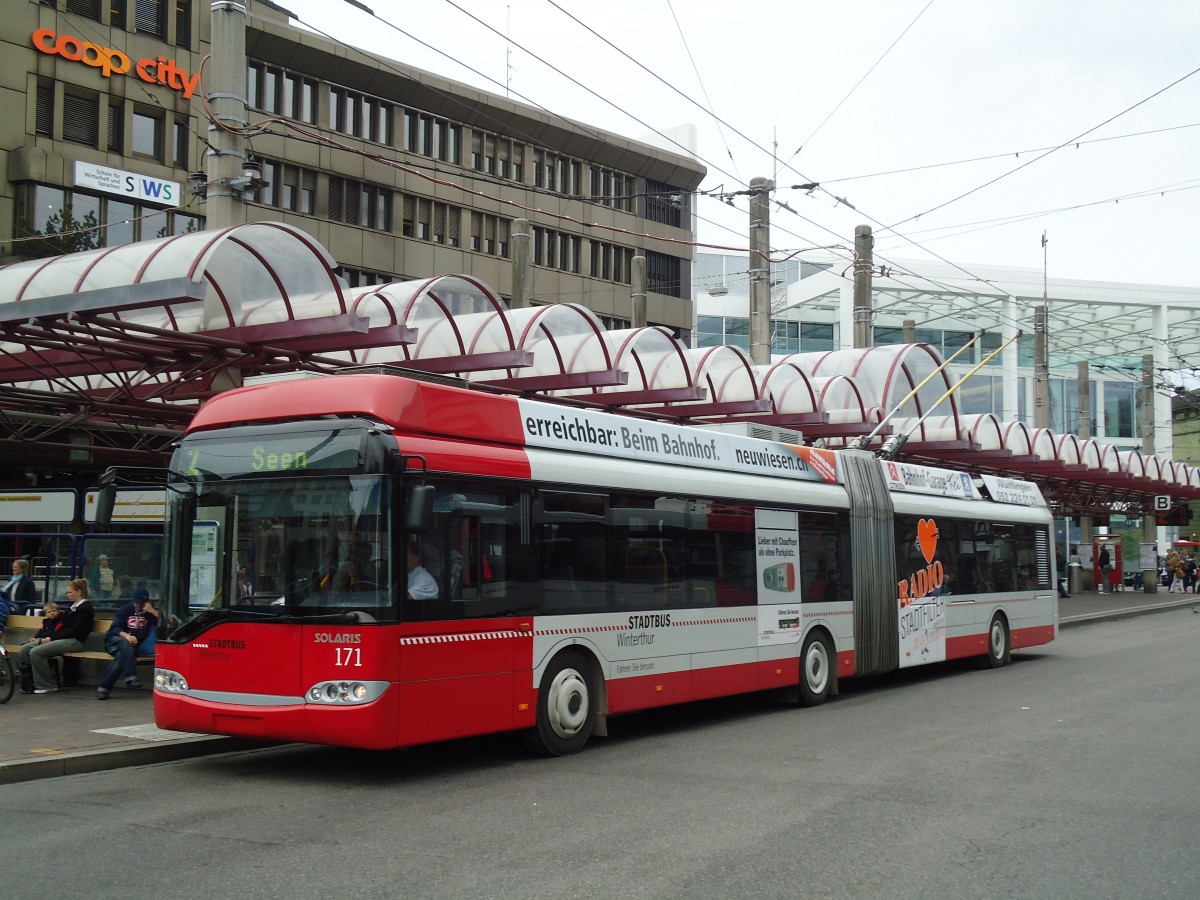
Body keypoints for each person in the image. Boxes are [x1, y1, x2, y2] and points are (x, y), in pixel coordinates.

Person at [18, 579, 94, 694]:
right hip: (62, 638)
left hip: (74, 641)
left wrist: (52, 638)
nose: (67, 595)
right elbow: (61, 623)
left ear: (78, 592)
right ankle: (29, 681)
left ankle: (47, 684)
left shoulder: (85, 609)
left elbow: (74, 630)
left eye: (69, 592)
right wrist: (41, 636)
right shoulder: (73, 607)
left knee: (36, 652)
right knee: (24, 649)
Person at [96, 588, 158, 699]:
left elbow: (165, 622)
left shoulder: (149, 614)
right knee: (125, 644)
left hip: (132, 647)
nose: (139, 606)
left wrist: (153, 611)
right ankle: (131, 677)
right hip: (115, 641)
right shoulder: (125, 610)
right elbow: (115, 628)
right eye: (137, 603)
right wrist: (127, 636)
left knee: (122, 656)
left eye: (142, 603)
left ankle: (103, 689)